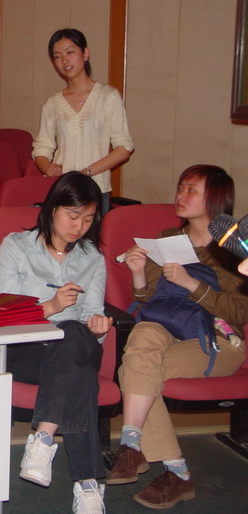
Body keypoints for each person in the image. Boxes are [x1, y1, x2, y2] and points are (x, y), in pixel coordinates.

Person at [107, 164, 248, 509]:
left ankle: (167, 466)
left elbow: (239, 313)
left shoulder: (233, 248)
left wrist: (192, 284)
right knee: (143, 333)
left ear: (215, 198)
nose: (180, 195)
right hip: (166, 330)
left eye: (191, 190)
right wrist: (138, 274)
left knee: (138, 369)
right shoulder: (169, 238)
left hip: (218, 341)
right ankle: (144, 452)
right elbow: (148, 301)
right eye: (180, 187)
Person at [0, 170, 110, 514]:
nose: (79, 227)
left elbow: (93, 312)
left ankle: (43, 438)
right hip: (24, 349)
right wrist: (51, 307)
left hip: (75, 342)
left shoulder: (93, 257)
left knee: (73, 333)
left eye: (88, 219)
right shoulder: (16, 246)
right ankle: (88, 483)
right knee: (80, 373)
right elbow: (5, 308)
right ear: (53, 208)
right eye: (73, 216)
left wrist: (98, 327)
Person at [32, 28, 134, 213]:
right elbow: (41, 149)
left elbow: (124, 148)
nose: (64, 60)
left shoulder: (108, 96)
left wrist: (86, 173)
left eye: (70, 52)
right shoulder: (52, 104)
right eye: (57, 56)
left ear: (85, 53)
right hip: (62, 189)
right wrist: (48, 168)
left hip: (96, 189)